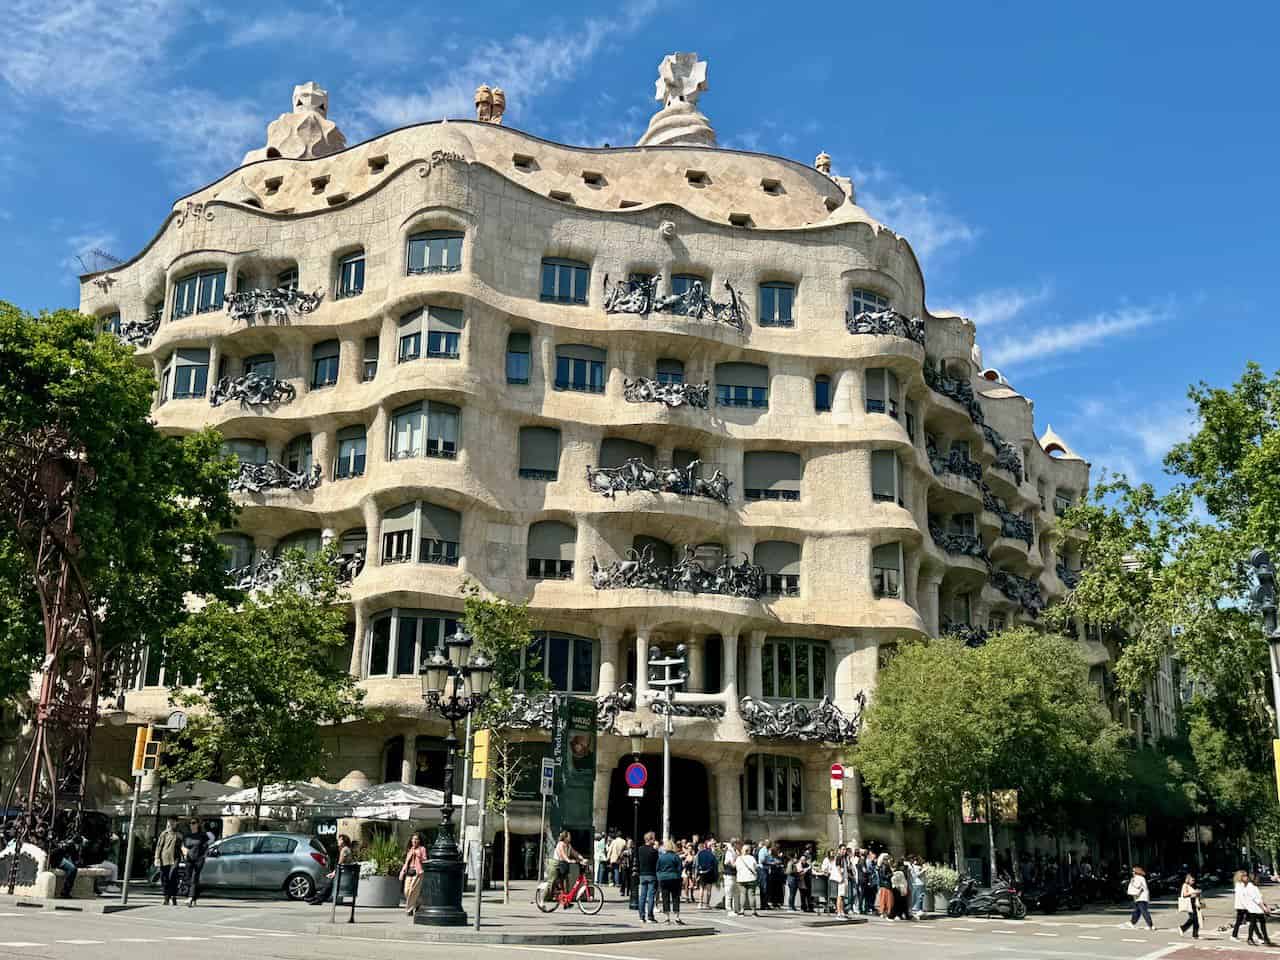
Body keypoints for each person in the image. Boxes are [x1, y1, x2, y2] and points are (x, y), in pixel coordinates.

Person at [310, 834, 354, 905]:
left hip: (344, 874)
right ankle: (317, 898)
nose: (338, 841)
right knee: (329, 882)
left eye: (339, 839)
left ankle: (318, 898)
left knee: (329, 882)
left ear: (343, 841)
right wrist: (333, 872)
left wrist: (333, 873)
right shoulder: (345, 849)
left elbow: (340, 863)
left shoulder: (344, 850)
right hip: (343, 872)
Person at [154, 817, 182, 906]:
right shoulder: (164, 834)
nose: (171, 824)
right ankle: (166, 897)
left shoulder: (179, 834)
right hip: (164, 858)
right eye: (169, 822)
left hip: (175, 859)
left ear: (176, 823)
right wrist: (157, 858)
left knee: (173, 877)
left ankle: (173, 896)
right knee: (164, 879)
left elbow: (183, 845)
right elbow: (159, 846)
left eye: (173, 822)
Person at [181, 818, 208, 907]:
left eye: (194, 823)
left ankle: (190, 898)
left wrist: (204, 856)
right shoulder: (187, 835)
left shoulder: (202, 835)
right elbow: (183, 846)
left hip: (198, 859)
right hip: (189, 859)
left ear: (197, 824)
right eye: (190, 823)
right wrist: (184, 851)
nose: (192, 825)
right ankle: (194, 897)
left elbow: (206, 847)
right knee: (188, 878)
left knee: (194, 877)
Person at [400, 833, 428, 915]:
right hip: (409, 871)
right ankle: (418, 903)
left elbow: (425, 860)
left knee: (413, 889)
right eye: (413, 839)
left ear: (419, 841)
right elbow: (406, 862)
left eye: (416, 839)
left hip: (418, 872)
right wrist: (402, 871)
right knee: (406, 891)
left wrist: (419, 855)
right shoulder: (410, 849)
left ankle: (409, 909)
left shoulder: (422, 849)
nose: (414, 841)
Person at [657, 840, 684, 924]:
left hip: (664, 879)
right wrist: (677, 875)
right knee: (675, 897)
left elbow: (657, 868)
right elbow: (680, 868)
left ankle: (667, 918)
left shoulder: (661, 857)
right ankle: (677, 917)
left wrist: (660, 876)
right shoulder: (676, 857)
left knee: (665, 897)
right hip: (674, 878)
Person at [1244, 872, 1274, 946]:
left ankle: (1266, 938)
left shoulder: (1255, 887)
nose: (1258, 880)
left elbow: (1260, 898)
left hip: (1258, 909)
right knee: (1253, 924)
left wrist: (1266, 906)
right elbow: (1256, 900)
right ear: (1253, 879)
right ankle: (1250, 938)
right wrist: (1264, 908)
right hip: (1253, 909)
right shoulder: (1250, 887)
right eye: (1257, 878)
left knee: (1262, 924)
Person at [552, 831, 584, 901]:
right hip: (558, 864)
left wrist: (582, 858)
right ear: (565, 837)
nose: (570, 837)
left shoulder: (568, 845)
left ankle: (566, 898)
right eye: (569, 836)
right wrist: (569, 860)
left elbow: (574, 853)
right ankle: (554, 894)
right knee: (558, 880)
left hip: (564, 864)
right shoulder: (561, 844)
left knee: (566, 880)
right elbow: (562, 855)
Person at [636, 832, 659, 922]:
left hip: (642, 874)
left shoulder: (640, 849)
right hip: (652, 875)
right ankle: (650, 916)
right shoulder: (654, 851)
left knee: (642, 896)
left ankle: (641, 916)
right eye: (653, 838)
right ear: (650, 839)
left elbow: (637, 861)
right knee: (651, 897)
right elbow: (657, 864)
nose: (654, 840)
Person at [735, 842, 760, 917]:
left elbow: (736, 867)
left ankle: (742, 911)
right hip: (751, 878)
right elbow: (756, 867)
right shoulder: (752, 858)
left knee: (742, 894)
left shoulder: (739, 858)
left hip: (741, 879)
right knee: (751, 895)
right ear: (749, 850)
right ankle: (753, 912)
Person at [1126, 866, 1154, 930]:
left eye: (1133, 871)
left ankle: (1150, 925)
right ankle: (1132, 923)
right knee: (1137, 911)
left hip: (1141, 897)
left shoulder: (1138, 878)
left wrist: (1132, 882)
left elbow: (1138, 886)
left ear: (1136, 872)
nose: (1132, 872)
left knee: (1144, 911)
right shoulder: (1141, 878)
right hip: (1141, 897)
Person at [1177, 872, 1201, 939]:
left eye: (1194, 880)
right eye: (1192, 880)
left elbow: (1192, 895)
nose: (1193, 881)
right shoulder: (1185, 885)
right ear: (1188, 879)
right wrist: (1194, 892)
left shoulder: (1192, 886)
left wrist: (1197, 893)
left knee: (1196, 919)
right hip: (1189, 904)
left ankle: (1195, 934)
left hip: (1194, 903)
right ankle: (1182, 928)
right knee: (1193, 918)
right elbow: (1185, 894)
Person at [696, 840, 718, 909]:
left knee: (701, 889)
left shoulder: (699, 854)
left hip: (702, 873)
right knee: (709, 889)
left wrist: (697, 873)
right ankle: (707, 904)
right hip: (710, 873)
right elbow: (715, 863)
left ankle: (700, 903)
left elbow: (697, 864)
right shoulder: (711, 854)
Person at [723, 837, 739, 916]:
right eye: (738, 843)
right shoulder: (730, 852)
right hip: (729, 874)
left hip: (735, 874)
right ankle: (729, 909)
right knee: (729, 892)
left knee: (736, 892)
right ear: (734, 843)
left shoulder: (735, 851)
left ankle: (736, 909)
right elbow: (730, 863)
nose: (739, 845)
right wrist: (738, 864)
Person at [1232, 868, 1250, 940]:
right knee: (1240, 921)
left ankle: (1234, 935)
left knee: (1248, 921)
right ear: (1240, 877)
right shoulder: (1239, 885)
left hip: (1244, 906)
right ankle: (1234, 935)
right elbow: (1242, 897)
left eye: (1246, 875)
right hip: (1241, 906)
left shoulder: (1243, 884)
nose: (1246, 877)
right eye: (1244, 876)